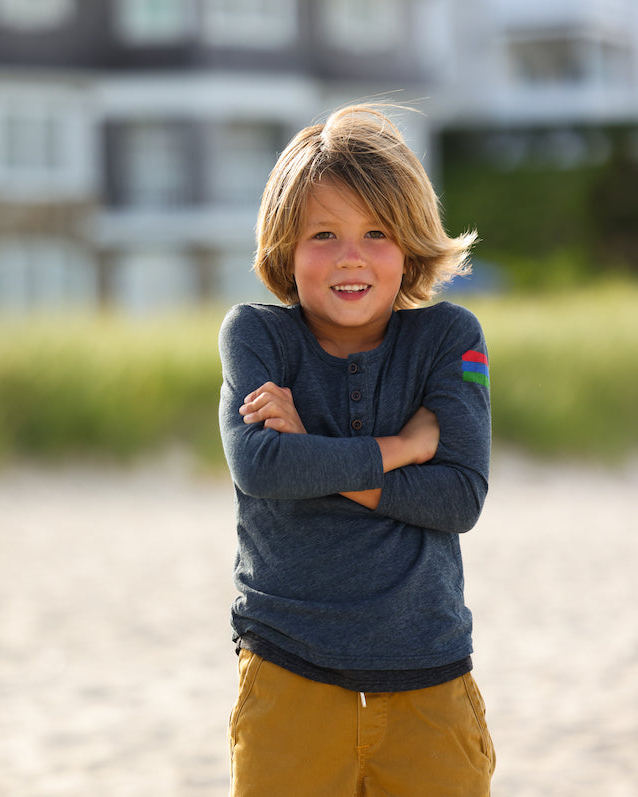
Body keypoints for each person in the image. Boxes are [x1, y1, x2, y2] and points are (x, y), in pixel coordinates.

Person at [218, 104, 496, 797]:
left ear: (408, 245)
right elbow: (262, 467)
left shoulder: (452, 339)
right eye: (323, 233)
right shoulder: (256, 336)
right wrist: (403, 446)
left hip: (429, 680)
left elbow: (459, 496)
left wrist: (313, 449)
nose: (350, 255)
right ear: (285, 248)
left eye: (376, 232)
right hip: (288, 674)